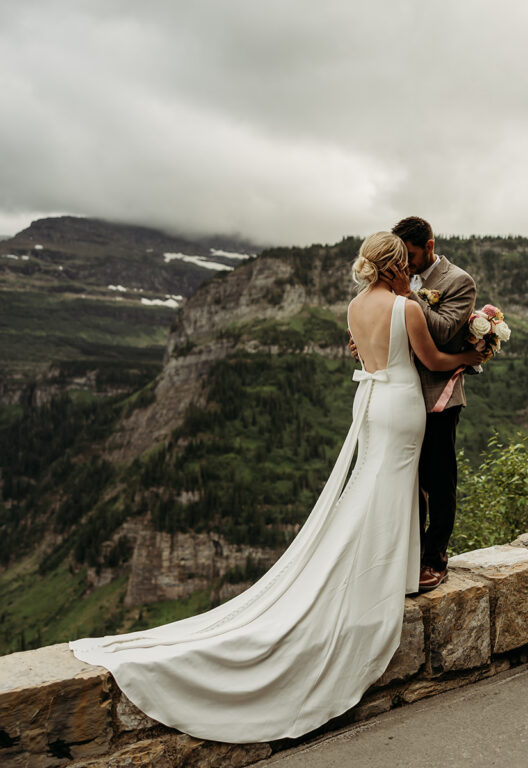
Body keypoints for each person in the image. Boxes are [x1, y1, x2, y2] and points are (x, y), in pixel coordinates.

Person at [69, 231, 482, 744]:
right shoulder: (407, 308)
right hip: (401, 405)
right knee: (393, 485)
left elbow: (363, 356)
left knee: (371, 482)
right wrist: (474, 354)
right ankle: (390, 576)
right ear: (398, 265)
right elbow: (434, 362)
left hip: (370, 404)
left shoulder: (355, 307)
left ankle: (382, 568)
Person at [364, 217, 476, 592]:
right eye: (400, 257)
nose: (405, 264)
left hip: (437, 394)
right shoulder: (399, 275)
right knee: (406, 480)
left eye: (410, 255)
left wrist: (408, 296)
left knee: (439, 479)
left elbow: (444, 331)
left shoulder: (458, 281)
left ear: (429, 245)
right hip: (399, 392)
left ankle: (435, 558)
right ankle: (410, 554)